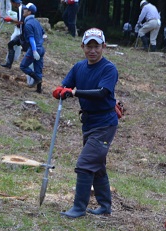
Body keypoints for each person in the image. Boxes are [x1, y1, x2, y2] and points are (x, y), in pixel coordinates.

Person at [52, 28, 118, 218]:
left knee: (85, 163)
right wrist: (60, 91)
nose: (92, 50)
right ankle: (105, 206)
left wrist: (75, 92)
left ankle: (79, 208)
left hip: (105, 124)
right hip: (88, 123)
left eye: (96, 46)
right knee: (96, 165)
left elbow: (102, 93)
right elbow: (65, 85)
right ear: (82, 47)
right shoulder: (79, 67)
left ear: (103, 47)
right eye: (88, 46)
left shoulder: (109, 69)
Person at [19, 3, 45, 94]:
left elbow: (31, 38)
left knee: (23, 66)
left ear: (29, 12)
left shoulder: (28, 24)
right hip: (41, 49)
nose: (23, 10)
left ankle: (36, 78)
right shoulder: (37, 22)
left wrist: (34, 51)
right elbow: (43, 34)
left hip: (34, 49)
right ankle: (39, 89)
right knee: (38, 68)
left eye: (25, 9)